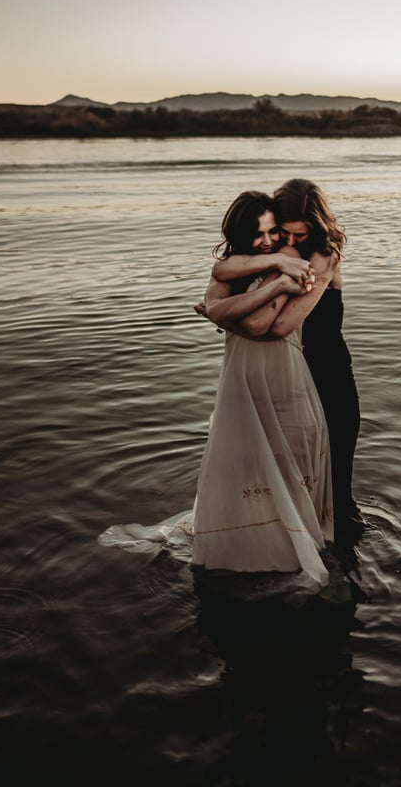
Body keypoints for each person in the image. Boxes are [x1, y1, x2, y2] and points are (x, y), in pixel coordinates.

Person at [100, 191, 334, 592]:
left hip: (287, 377)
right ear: (241, 235)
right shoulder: (242, 267)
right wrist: (276, 276)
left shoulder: (300, 263)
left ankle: (294, 549)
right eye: (258, 233)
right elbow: (219, 304)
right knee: (242, 463)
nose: (267, 240)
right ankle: (252, 549)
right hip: (241, 381)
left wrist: (229, 311)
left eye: (272, 232)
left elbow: (255, 325)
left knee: (291, 465)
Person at [208, 179, 362, 543]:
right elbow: (222, 271)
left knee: (337, 493)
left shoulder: (323, 255)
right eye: (284, 233)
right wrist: (276, 259)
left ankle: (344, 577)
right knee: (290, 485)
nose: (289, 242)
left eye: (298, 235)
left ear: (316, 228)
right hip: (291, 384)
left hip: (330, 380)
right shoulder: (279, 256)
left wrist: (220, 315)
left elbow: (277, 326)